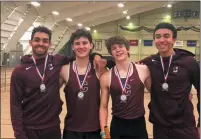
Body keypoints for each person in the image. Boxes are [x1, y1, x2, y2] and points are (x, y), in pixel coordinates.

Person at [10, 26, 104, 139]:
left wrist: (96, 55)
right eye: (37, 40)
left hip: (52, 128)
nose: (41, 43)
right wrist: (19, 133)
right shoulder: (19, 71)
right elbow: (15, 105)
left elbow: (82, 55)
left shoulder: (57, 61)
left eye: (45, 41)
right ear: (30, 42)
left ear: (49, 44)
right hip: (29, 128)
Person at [140, 22, 200, 139]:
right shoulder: (149, 62)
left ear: (174, 40)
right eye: (158, 37)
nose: (161, 40)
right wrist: (97, 57)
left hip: (185, 126)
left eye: (166, 36)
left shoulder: (189, 62)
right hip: (160, 127)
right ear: (154, 40)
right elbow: (128, 66)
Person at [99, 36, 151, 139]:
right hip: (118, 125)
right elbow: (103, 107)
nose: (118, 50)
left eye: (121, 46)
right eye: (114, 48)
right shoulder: (106, 77)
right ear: (111, 53)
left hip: (138, 124)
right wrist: (104, 131)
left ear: (127, 49)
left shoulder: (143, 70)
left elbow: (156, 93)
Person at [59, 29, 107, 139]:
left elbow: (105, 105)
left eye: (84, 43)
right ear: (72, 47)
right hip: (71, 130)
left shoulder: (100, 70)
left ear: (91, 45)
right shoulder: (64, 70)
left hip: (94, 130)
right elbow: (50, 93)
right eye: (77, 43)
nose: (81, 46)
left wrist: (105, 130)